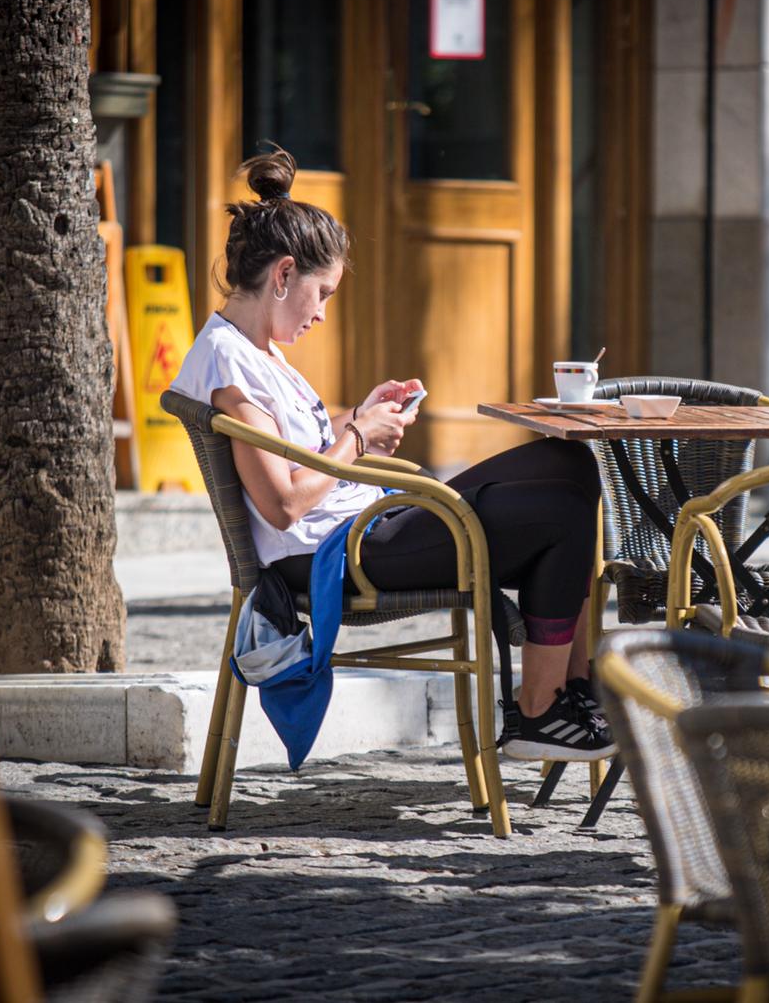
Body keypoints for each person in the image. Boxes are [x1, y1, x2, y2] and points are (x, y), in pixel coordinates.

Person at [171, 147, 612, 762]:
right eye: (321, 293)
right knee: (558, 513)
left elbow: (302, 448)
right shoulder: (228, 361)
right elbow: (281, 504)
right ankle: (540, 709)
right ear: (282, 275)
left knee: (570, 465)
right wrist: (357, 437)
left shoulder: (256, 351)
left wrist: (360, 415)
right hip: (337, 554)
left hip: (368, 526)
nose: (322, 313)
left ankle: (571, 691)